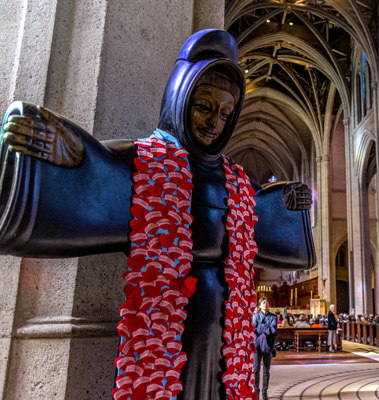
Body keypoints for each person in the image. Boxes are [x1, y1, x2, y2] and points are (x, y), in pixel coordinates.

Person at [0, 29, 315, 400]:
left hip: (225, 331)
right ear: (180, 99)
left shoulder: (236, 181)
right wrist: (72, 152)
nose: (214, 121)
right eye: (203, 106)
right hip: (165, 323)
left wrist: (289, 200)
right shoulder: (150, 162)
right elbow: (107, 167)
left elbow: (263, 210)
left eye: (224, 113)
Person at [253, 297, 277, 400]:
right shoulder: (255, 316)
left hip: (268, 345)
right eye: (263, 303)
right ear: (259, 305)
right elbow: (254, 329)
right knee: (256, 369)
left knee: (266, 370)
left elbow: (273, 328)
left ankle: (264, 392)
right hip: (257, 345)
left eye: (267, 303)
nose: (265, 304)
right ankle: (256, 392)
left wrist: (261, 329)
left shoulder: (273, 316)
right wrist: (265, 329)